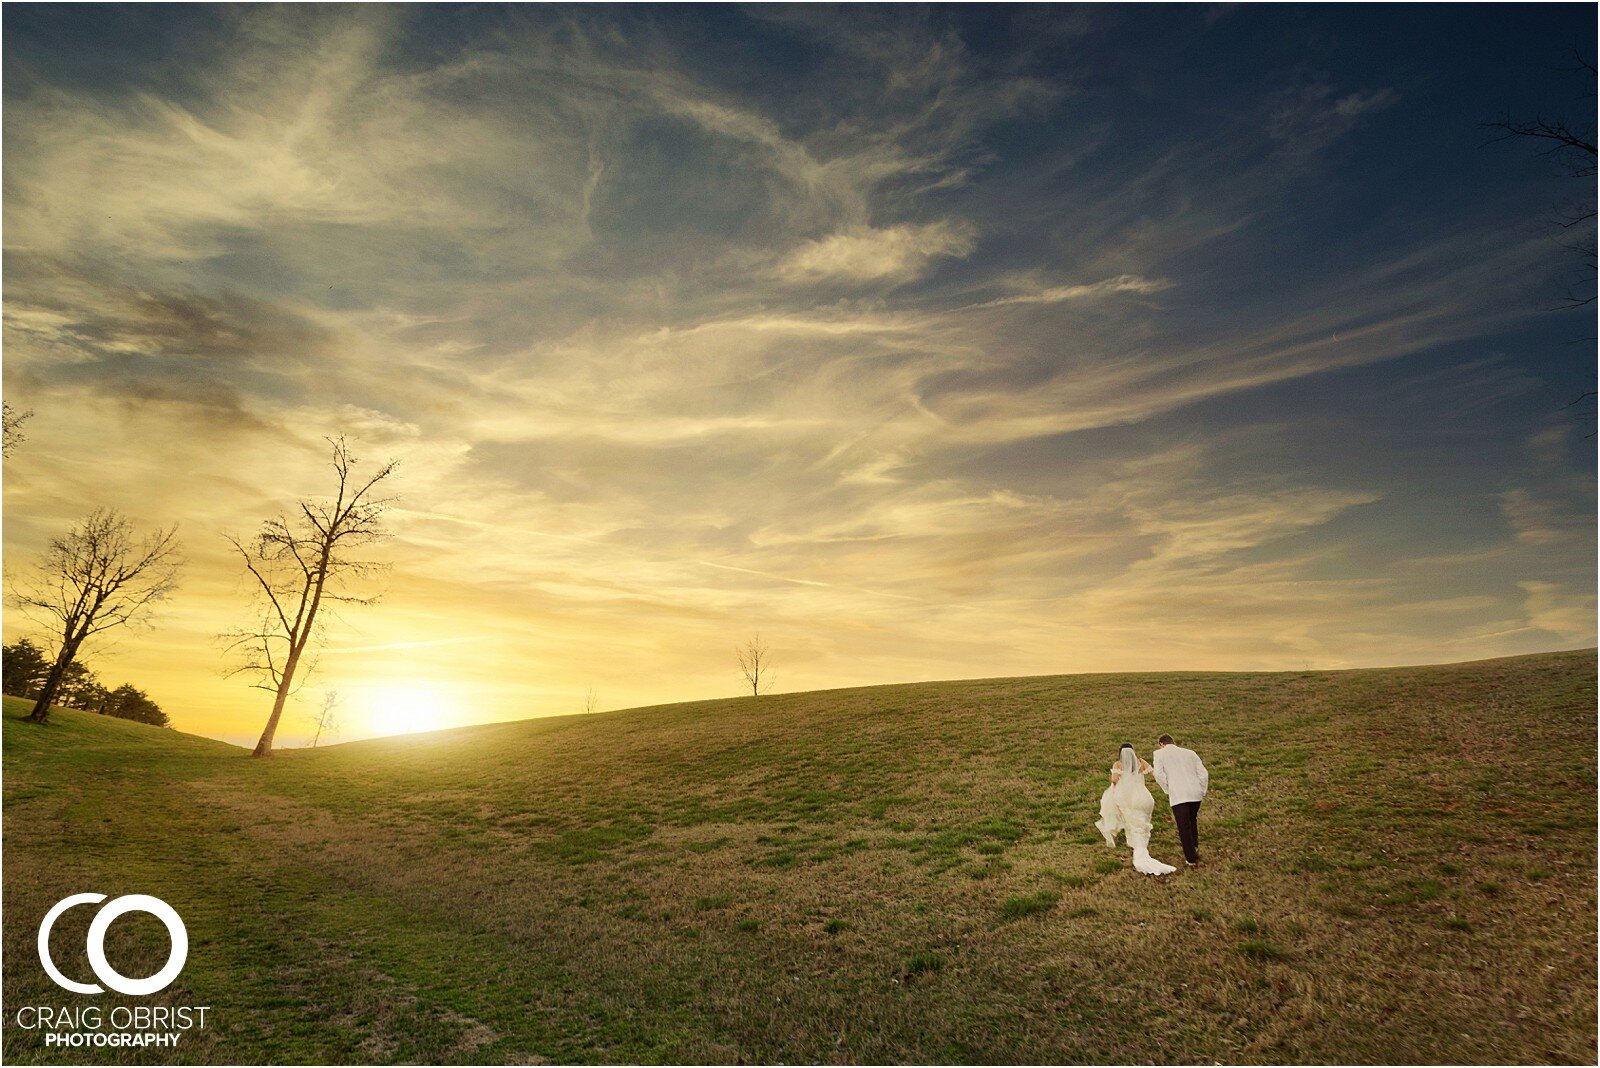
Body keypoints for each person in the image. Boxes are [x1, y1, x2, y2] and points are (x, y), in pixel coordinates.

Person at [1094, 743, 1177, 875]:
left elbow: (1114, 779)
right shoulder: (1140, 762)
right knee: (1143, 825)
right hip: (1144, 798)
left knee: (1133, 825)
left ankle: (1140, 856)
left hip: (1129, 799)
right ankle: (1142, 850)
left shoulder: (1118, 764)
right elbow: (1153, 774)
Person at [1152, 733, 1208, 866]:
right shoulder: (1190, 753)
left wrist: (1168, 788)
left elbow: (1158, 774)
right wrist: (1202, 790)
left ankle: (1191, 859)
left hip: (1178, 794)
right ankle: (1194, 848)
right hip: (1195, 794)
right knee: (1192, 820)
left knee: (1183, 826)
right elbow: (1203, 773)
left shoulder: (1159, 754)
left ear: (1161, 744)